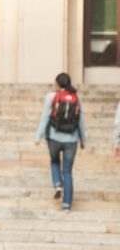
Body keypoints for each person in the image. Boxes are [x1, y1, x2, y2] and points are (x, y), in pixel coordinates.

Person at [34, 73, 86, 211]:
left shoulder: (50, 96)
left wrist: (38, 136)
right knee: (68, 171)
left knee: (54, 162)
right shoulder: (76, 97)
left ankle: (57, 184)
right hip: (71, 139)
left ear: (57, 83)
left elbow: (45, 117)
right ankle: (67, 205)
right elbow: (81, 121)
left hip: (54, 138)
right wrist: (83, 140)